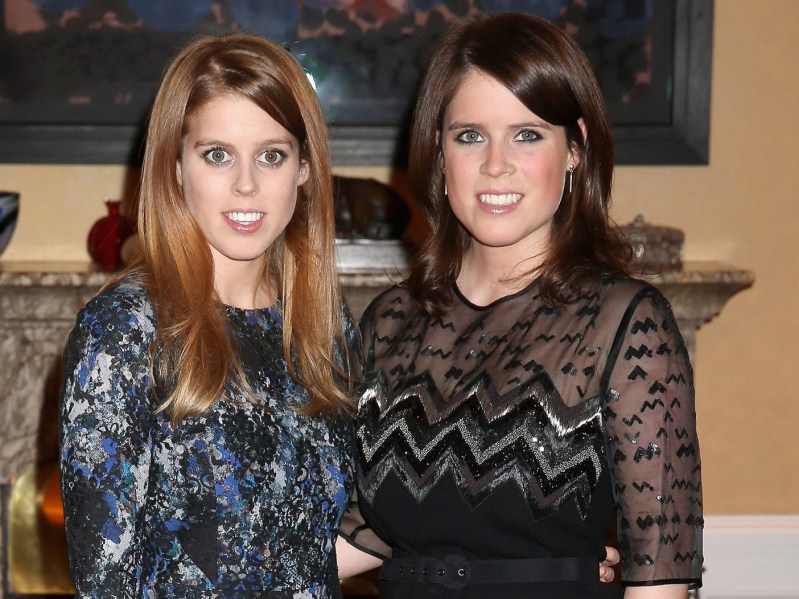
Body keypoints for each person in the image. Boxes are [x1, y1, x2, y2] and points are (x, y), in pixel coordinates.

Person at [340, 12, 703, 599]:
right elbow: (367, 532)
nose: (495, 165)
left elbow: (661, 576)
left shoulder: (625, 322)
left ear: (575, 150)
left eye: (527, 134)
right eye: (470, 135)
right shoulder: (390, 321)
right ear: (438, 150)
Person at [59, 33, 358, 597]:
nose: (246, 184)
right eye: (217, 154)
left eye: (272, 155)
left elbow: (314, 547)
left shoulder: (324, 323)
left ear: (304, 169)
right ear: (175, 167)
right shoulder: (124, 331)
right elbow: (105, 581)